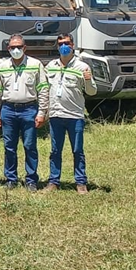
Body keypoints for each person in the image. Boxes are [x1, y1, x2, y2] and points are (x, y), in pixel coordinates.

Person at [0, 34, 50, 191]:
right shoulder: (2, 66)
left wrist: (42, 112)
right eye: (12, 47)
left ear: (25, 48)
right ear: (8, 48)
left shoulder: (35, 64)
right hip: (8, 109)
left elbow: (43, 89)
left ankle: (31, 179)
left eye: (19, 47)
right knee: (9, 146)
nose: (15, 50)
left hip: (29, 109)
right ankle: (11, 178)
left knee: (30, 145)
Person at [44, 33, 97, 194]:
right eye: (60, 43)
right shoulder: (51, 66)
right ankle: (54, 181)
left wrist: (88, 80)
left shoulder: (82, 67)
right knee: (55, 151)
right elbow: (45, 89)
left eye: (66, 43)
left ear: (72, 45)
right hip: (56, 115)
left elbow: (92, 91)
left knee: (77, 150)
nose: (63, 46)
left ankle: (81, 183)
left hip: (75, 115)